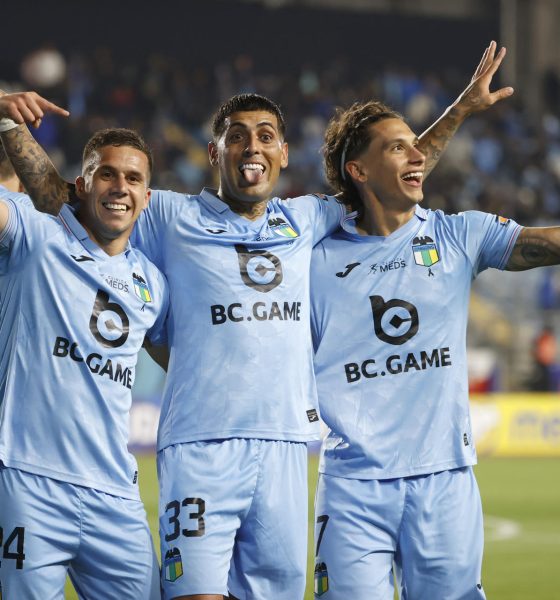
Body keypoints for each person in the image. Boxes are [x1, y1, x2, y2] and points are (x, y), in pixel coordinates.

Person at [0, 41, 510, 600]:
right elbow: (66, 205)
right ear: (214, 152)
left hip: (287, 447)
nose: (253, 146)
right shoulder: (169, 215)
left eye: (266, 135)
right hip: (200, 446)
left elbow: (390, 177)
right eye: (237, 136)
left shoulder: (309, 218)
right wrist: (8, 123)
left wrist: (458, 111)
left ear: (285, 153)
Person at [309, 60, 560, 600]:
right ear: (357, 171)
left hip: (443, 479)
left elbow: (546, 241)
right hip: (353, 484)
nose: (417, 153)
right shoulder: (312, 255)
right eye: (397, 147)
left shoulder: (457, 236)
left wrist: (461, 109)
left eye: (413, 145)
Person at [0, 125, 169, 599]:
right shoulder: (34, 235)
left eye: (133, 179)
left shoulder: (152, 285)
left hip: (115, 493)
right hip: (29, 483)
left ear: (147, 195)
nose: (120, 188)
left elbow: (186, 367)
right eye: (106, 175)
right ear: (81, 184)